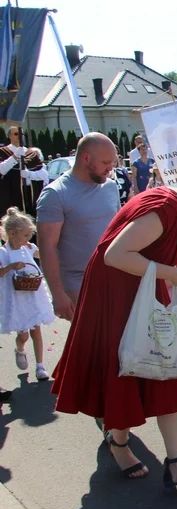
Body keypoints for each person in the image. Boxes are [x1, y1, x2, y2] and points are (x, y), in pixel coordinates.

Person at [50, 161, 177, 491]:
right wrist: (172, 275)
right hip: (114, 296)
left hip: (146, 293)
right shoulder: (164, 205)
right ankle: (119, 442)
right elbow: (114, 255)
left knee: (169, 374)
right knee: (123, 373)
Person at [36, 133, 121, 320]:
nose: (110, 168)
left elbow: (119, 230)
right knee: (93, 341)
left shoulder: (110, 187)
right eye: (106, 162)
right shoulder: (55, 194)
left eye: (112, 162)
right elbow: (47, 247)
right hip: (77, 282)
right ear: (86, 158)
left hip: (113, 275)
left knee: (118, 341)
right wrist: (58, 294)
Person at [0, 207, 55, 382]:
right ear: (12, 234)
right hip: (16, 298)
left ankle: (40, 366)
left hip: (32, 294)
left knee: (36, 330)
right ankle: (20, 349)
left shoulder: (28, 249)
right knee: (23, 334)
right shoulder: (3, 253)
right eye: (25, 236)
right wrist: (10, 267)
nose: (27, 239)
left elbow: (44, 255)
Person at [0, 127, 48, 218]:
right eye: (16, 134)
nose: (19, 136)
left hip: (30, 196)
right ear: (9, 136)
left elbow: (44, 174)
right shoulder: (3, 151)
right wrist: (15, 157)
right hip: (12, 195)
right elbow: (2, 170)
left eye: (21, 134)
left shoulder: (31, 153)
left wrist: (30, 174)